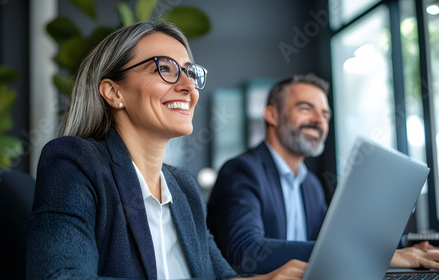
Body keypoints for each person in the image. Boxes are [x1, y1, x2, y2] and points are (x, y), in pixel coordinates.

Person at [25, 21, 307, 279]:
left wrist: (268, 278)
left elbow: (221, 276)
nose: (188, 87)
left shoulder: (184, 188)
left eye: (190, 72)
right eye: (165, 68)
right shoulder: (74, 163)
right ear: (114, 92)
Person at [206, 74, 439, 275]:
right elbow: (246, 253)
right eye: (306, 108)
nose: (319, 121)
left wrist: (407, 244)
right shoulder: (242, 171)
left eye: (325, 114)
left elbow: (334, 238)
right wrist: (372, 256)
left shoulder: (310, 184)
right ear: (272, 115)